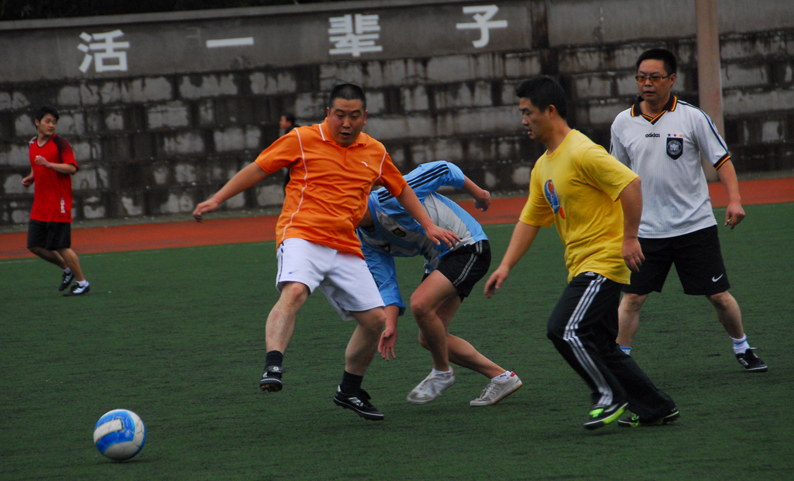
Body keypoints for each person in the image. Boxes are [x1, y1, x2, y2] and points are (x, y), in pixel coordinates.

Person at [193, 84, 459, 421]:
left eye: (354, 116)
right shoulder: (302, 138)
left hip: (346, 245)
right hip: (302, 235)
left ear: (365, 117)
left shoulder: (374, 151)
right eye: (340, 115)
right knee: (295, 291)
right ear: (328, 114)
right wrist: (218, 199)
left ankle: (349, 390)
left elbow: (401, 189)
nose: (346, 123)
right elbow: (259, 168)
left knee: (375, 320)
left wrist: (428, 225)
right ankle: (273, 364)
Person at [484, 76, 678, 429]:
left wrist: (630, 238)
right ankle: (656, 407)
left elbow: (630, 184)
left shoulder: (582, 151)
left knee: (564, 329)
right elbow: (530, 219)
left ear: (550, 111)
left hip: (602, 262)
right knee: (601, 345)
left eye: (527, 112)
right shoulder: (543, 166)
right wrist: (506, 266)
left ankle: (609, 395)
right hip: (581, 266)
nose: (523, 120)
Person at [609, 48, 767, 372]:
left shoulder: (692, 117)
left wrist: (734, 199)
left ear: (671, 79)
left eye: (654, 77)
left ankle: (742, 347)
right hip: (645, 231)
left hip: (694, 226)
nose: (647, 83)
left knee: (719, 296)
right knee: (632, 298)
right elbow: (615, 175)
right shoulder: (623, 122)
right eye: (641, 77)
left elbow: (722, 160)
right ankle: (620, 361)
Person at [358, 160, 523, 407]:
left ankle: (442, 371)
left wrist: (479, 194)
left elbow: (443, 169)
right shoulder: (365, 241)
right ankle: (502, 378)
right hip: (440, 260)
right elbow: (387, 284)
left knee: (420, 303)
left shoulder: (390, 195)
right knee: (430, 338)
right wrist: (390, 325)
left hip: (467, 244)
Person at [21, 105, 90, 297]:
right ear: (37, 122)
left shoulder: (61, 144)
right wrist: (31, 177)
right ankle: (66, 269)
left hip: (58, 203)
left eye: (54, 122)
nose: (51, 125)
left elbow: (72, 168)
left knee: (61, 245)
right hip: (40, 204)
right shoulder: (32, 144)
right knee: (34, 245)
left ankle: (82, 282)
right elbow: (37, 166)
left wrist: (49, 164)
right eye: (48, 121)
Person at [279, 113, 297, 192]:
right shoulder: (294, 130)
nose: (280, 123)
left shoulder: (291, 133)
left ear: (289, 122)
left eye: (282, 120)